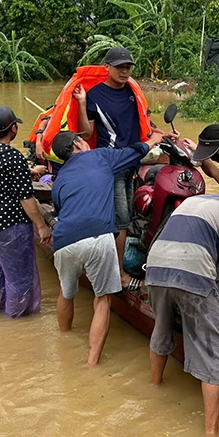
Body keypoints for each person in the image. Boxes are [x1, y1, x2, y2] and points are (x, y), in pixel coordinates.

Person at [146, 171, 219, 436]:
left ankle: (153, 389)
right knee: (212, 354)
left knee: (161, 329)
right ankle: (210, 433)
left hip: (155, 268)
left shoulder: (192, 201)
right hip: (192, 274)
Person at [50, 129, 163, 365]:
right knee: (103, 299)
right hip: (98, 237)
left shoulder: (59, 179)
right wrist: (154, 139)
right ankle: (92, 363)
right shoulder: (100, 156)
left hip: (63, 241)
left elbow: (60, 211)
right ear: (79, 143)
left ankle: (64, 343)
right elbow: (135, 151)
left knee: (66, 292)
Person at [74, 46, 177, 291]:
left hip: (133, 160)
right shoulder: (95, 95)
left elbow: (143, 124)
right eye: (119, 66)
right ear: (107, 68)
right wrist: (81, 103)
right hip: (110, 163)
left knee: (127, 217)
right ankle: (118, 274)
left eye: (128, 67)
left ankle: (119, 262)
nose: (125, 70)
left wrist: (163, 134)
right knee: (121, 221)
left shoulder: (132, 91)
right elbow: (86, 132)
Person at [0, 105, 49, 318]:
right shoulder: (13, 157)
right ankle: (18, 325)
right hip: (8, 229)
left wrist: (28, 171)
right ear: (12, 129)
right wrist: (41, 226)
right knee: (20, 281)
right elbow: (26, 199)